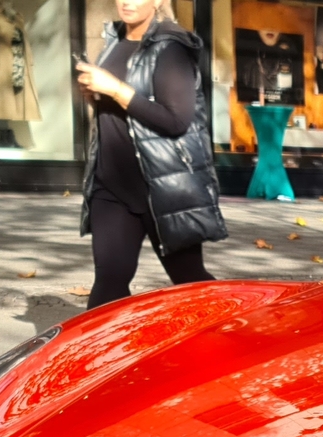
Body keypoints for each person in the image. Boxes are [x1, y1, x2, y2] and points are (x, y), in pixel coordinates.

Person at [75, 0, 225, 308]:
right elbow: (122, 112)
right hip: (111, 184)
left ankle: (236, 337)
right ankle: (101, 354)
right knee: (109, 282)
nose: (127, 1)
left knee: (189, 278)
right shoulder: (114, 41)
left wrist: (116, 89)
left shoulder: (171, 48)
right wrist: (96, 97)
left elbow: (176, 120)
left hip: (163, 189)